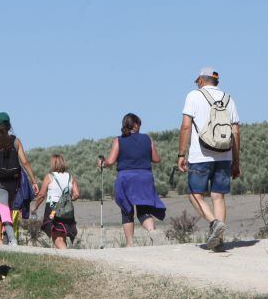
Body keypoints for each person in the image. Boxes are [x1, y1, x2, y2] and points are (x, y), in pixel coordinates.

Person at [178, 67, 241, 251]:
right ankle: (218, 240)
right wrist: (236, 161)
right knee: (218, 196)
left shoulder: (194, 96)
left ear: (201, 80)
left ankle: (214, 223)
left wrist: (182, 153)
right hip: (224, 154)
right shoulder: (229, 99)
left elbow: (186, 127)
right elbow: (235, 131)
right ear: (216, 82)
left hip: (201, 155)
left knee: (193, 194)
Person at [100, 113, 166, 247]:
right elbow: (156, 159)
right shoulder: (147, 138)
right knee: (144, 209)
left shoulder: (118, 140)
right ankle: (152, 231)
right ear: (135, 125)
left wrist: (102, 163)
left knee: (127, 210)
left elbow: (111, 161)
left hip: (126, 178)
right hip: (145, 177)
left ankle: (130, 244)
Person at [0, 112, 38, 246]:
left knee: (3, 210)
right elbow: (24, 162)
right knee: (8, 208)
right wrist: (34, 181)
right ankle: (9, 239)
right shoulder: (16, 141)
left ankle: (12, 239)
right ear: (9, 126)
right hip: (14, 181)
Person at [33, 154, 80, 249]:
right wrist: (67, 200)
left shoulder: (49, 177)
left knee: (56, 237)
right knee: (62, 235)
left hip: (53, 208)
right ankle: (65, 257)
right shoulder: (70, 177)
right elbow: (76, 194)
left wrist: (35, 207)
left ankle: (68, 256)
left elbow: (41, 195)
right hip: (67, 209)